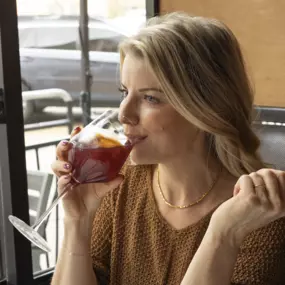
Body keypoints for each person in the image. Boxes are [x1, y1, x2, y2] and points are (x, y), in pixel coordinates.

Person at [51, 12, 285, 285]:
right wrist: (77, 220)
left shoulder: (264, 210)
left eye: (151, 98)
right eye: (124, 92)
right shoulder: (121, 184)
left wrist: (223, 234)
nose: (124, 114)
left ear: (205, 109)